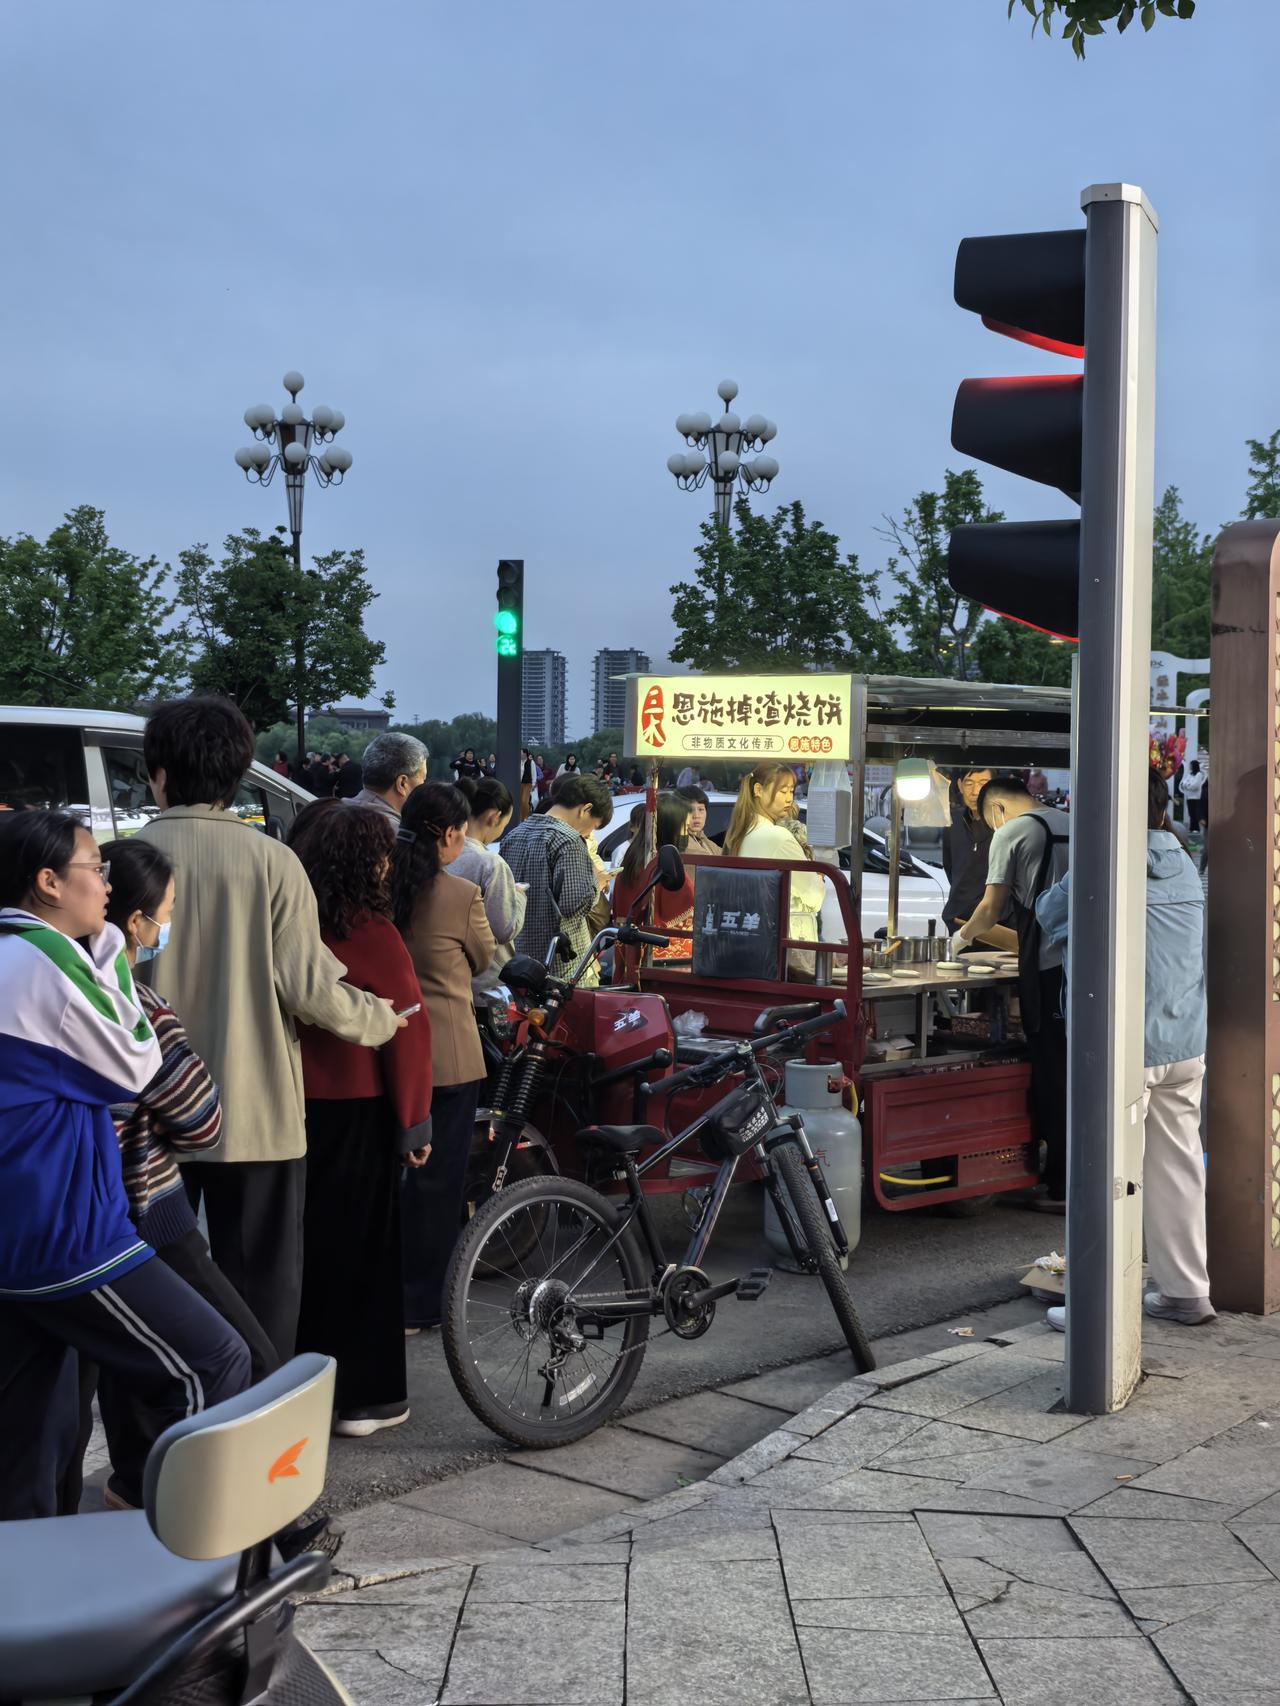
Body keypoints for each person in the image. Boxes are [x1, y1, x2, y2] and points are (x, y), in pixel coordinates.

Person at [0, 811, 250, 1520]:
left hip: (27, 1225)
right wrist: (110, 948)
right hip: (67, 1235)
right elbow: (133, 1065)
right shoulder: (43, 956)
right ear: (48, 883)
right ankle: (203, 1568)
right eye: (93, 868)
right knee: (214, 1363)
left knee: (32, 1439)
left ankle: (29, 1601)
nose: (105, 884)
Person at [137, 696, 404, 1361]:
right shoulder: (272, 862)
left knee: (148, 1284)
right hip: (254, 1112)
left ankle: (157, 1444)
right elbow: (309, 986)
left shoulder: (125, 859)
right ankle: (256, 1435)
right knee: (261, 1288)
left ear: (158, 772)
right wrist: (379, 1019)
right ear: (238, 774)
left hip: (143, 1116)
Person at [1037, 769, 1213, 1328]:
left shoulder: (1104, 861)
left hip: (1122, 1044)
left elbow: (1047, 913)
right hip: (1184, 1039)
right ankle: (1187, 1291)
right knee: (1178, 1165)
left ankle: (1098, 1309)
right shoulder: (1183, 861)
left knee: (1105, 1173)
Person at [290, 805, 433, 1433]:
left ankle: (304, 1389)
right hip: (360, 1111)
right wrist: (414, 1123)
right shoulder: (375, 932)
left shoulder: (291, 925)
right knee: (369, 1254)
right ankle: (368, 1397)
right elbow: (407, 1033)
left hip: (293, 1109)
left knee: (308, 1254)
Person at [392, 783, 495, 1331]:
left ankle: (387, 1291)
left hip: (387, 1055)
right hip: (449, 1059)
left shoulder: (379, 887)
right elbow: (482, 958)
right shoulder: (459, 895)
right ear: (451, 835)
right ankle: (424, 1302)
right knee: (439, 1185)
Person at [953, 776, 1070, 1210]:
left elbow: (991, 907)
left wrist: (961, 938)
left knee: (1052, 1073)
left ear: (997, 810)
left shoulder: (1011, 831)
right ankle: (1077, 1174)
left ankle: (1058, 1183)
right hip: (1088, 967)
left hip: (1046, 968)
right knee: (1080, 1073)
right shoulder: (1073, 821)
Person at [501, 773, 612, 976]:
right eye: (593, 826)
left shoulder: (513, 835)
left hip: (518, 959)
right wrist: (597, 882)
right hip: (559, 964)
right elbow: (572, 905)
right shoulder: (569, 840)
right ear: (585, 809)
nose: (589, 834)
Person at [723, 761, 825, 978]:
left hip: (753, 943)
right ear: (758, 790)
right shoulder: (778, 837)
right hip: (787, 946)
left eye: (791, 791)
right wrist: (819, 877)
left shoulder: (742, 833)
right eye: (782, 791)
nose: (789, 799)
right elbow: (814, 897)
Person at [451, 775, 527, 993]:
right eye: (504, 823)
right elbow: (504, 929)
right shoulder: (490, 863)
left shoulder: (442, 851)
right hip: (487, 981)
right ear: (495, 817)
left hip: (452, 975)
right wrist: (519, 896)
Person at [611, 794, 695, 979]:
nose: (687, 834)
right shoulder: (662, 864)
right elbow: (686, 908)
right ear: (670, 828)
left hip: (629, 955)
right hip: (657, 962)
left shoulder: (635, 856)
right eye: (685, 828)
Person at [941, 767, 1001, 935]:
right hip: (958, 920)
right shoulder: (952, 821)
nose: (975, 791)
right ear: (959, 785)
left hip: (997, 925)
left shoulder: (1004, 824)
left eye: (983, 783)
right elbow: (950, 868)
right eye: (969, 783)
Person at [348, 731, 429, 823]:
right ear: (402, 783)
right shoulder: (392, 833)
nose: (424, 786)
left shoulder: (334, 814)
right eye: (423, 779)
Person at [675, 784, 722, 858]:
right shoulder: (681, 842)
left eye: (701, 809)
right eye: (689, 810)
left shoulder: (700, 837)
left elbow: (725, 855)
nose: (696, 816)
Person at [1180, 759, 1206, 833]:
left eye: (1191, 765)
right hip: (1189, 797)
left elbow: (1195, 786)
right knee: (1191, 813)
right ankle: (1192, 828)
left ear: (1194, 766)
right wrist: (1187, 784)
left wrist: (1187, 785)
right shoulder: (1190, 774)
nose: (1189, 767)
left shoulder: (1199, 774)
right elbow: (1183, 783)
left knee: (1195, 813)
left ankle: (1196, 828)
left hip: (1196, 797)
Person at [520, 749, 534, 821]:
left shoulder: (531, 762)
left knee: (524, 801)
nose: (520, 754)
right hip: (520, 783)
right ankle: (520, 817)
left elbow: (533, 773)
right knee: (519, 801)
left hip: (527, 783)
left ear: (525, 754)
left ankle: (526, 817)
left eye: (521, 753)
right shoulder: (519, 762)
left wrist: (533, 784)